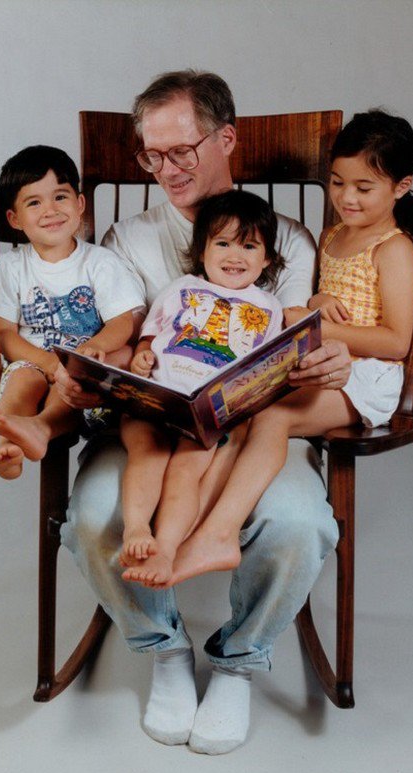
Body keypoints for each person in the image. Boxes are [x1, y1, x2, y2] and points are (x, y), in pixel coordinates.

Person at [55, 70, 352, 755]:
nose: (167, 169)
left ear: (226, 139)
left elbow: (300, 340)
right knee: (98, 518)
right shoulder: (129, 240)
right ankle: (162, 647)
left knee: (299, 523)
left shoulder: (291, 245)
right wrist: (118, 365)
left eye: (182, 150)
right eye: (151, 156)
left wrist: (327, 360)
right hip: (151, 432)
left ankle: (240, 662)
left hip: (251, 430)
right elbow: (127, 335)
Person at [174, 110, 413, 584]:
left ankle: (220, 532)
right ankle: (192, 525)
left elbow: (396, 341)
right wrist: (318, 301)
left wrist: (313, 324)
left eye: (363, 188)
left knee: (271, 414)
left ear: (401, 185)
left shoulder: (394, 249)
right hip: (324, 364)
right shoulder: (334, 235)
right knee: (243, 408)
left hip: (368, 377)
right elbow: (331, 302)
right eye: (336, 183)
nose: (346, 198)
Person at [120, 189, 286, 587]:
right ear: (202, 252)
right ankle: (136, 529)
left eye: (249, 246)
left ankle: (165, 549)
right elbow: (151, 332)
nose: (235, 255)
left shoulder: (267, 307)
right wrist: (142, 353)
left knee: (183, 473)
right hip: (156, 398)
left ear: (266, 259)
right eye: (223, 243)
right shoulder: (181, 288)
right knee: (147, 453)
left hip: (208, 414)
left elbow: (265, 366)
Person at [0, 145, 144, 479]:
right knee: (23, 377)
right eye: (34, 202)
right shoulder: (10, 267)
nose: (50, 210)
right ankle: (5, 448)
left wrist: (90, 351)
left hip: (84, 375)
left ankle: (40, 428)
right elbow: (5, 334)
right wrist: (50, 364)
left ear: (80, 204)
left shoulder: (100, 262)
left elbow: (122, 322)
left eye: (60, 197)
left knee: (71, 380)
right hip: (35, 362)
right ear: (14, 218)